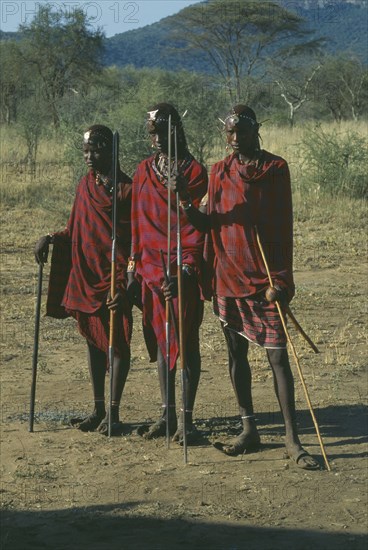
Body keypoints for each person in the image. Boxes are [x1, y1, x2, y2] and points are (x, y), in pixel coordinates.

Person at [174, 104, 320, 469]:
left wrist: (283, 280)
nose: (236, 138)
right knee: (236, 354)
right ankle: (248, 429)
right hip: (228, 275)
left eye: (242, 131)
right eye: (230, 132)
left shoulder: (275, 169)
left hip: (265, 278)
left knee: (277, 357)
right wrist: (182, 200)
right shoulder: (219, 171)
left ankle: (292, 439)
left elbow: (283, 227)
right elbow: (208, 222)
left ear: (257, 130)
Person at [34, 125, 133, 436]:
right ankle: (98, 409)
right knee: (93, 343)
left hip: (113, 277)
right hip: (86, 272)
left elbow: (136, 240)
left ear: (112, 151)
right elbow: (74, 228)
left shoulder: (127, 190)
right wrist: (50, 238)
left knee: (117, 345)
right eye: (87, 151)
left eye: (97, 150)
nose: (90, 157)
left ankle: (114, 414)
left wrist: (130, 282)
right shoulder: (84, 185)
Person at [128, 103, 208, 443]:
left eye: (162, 132)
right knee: (161, 341)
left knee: (186, 340)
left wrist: (187, 269)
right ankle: (166, 413)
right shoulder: (143, 170)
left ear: (177, 129)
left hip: (182, 268)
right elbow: (136, 223)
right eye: (152, 133)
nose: (156, 139)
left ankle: (186, 420)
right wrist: (133, 267)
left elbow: (200, 228)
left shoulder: (195, 172)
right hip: (150, 268)